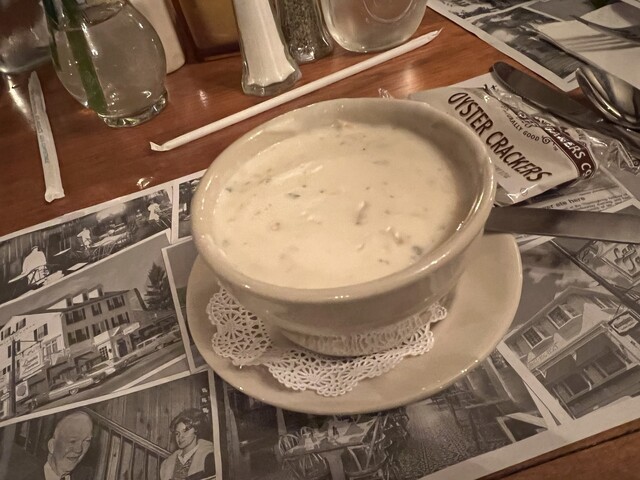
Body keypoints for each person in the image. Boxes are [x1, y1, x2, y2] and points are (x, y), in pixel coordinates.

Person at [17, 411, 94, 480]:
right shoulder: (26, 476)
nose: (79, 449)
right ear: (52, 446)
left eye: (86, 441)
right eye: (72, 441)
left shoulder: (88, 476)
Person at [159, 408, 215, 480]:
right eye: (177, 433)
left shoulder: (208, 456)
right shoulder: (167, 464)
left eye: (185, 431)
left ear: (196, 429)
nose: (180, 437)